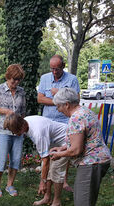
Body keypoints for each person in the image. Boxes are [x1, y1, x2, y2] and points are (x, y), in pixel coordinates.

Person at [50, 88, 112, 206]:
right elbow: (77, 142)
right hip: (93, 160)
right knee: (81, 194)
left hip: (92, 162)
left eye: (59, 106)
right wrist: (63, 148)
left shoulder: (76, 118)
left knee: (85, 200)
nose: (58, 110)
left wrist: (60, 155)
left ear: (67, 104)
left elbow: (76, 150)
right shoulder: (84, 111)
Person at [4, 114, 68, 206]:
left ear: (21, 126)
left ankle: (57, 202)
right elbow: (45, 162)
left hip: (65, 141)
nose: (15, 134)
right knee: (47, 169)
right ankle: (47, 197)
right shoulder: (25, 122)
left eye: (15, 132)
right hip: (54, 142)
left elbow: (45, 160)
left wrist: (42, 182)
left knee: (56, 171)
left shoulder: (38, 132)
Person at [37, 54, 80, 192]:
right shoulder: (44, 78)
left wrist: (58, 93)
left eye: (57, 69)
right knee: (48, 151)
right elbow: (40, 99)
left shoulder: (72, 79)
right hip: (48, 120)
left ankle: (64, 181)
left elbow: (76, 101)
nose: (54, 72)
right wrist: (61, 99)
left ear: (63, 66)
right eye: (52, 69)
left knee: (65, 151)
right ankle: (46, 180)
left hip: (65, 121)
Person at [0, 64, 26, 197]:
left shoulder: (21, 91)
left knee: (15, 159)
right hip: (2, 131)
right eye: (13, 79)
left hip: (18, 132)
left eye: (18, 80)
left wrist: (22, 127)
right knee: (1, 160)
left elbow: (23, 111)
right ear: (8, 77)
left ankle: (10, 185)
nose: (15, 82)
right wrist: (6, 111)